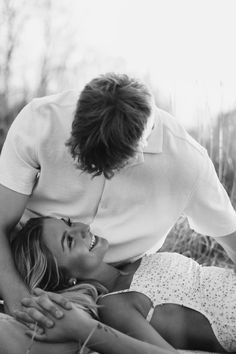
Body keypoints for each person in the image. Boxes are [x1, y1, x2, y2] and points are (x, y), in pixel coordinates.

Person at [0, 73, 236, 325]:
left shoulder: (188, 163)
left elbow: (230, 234)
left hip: (116, 296)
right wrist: (17, 298)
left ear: (137, 149)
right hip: (19, 264)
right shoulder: (40, 120)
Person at [11, 216, 236, 353]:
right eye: (69, 241)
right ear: (64, 278)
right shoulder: (114, 305)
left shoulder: (134, 261)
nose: (81, 229)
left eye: (68, 223)